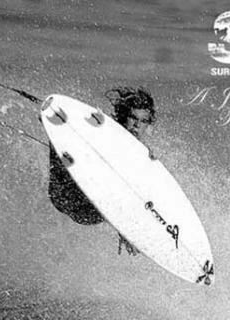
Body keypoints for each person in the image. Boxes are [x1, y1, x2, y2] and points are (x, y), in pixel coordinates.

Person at [48, 87, 156, 254]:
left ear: (148, 124)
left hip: (89, 212)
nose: (137, 125)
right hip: (65, 194)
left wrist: (127, 230)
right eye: (133, 118)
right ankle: (53, 133)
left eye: (143, 121)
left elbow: (130, 196)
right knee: (66, 147)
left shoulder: (142, 156)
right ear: (124, 116)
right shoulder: (102, 132)